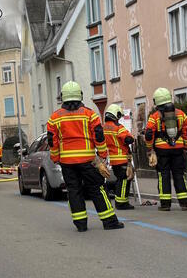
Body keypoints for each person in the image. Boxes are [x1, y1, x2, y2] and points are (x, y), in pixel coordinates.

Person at [47, 81, 124, 232]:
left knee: (74, 191)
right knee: (97, 189)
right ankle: (109, 222)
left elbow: (52, 141)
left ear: (63, 97)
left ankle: (80, 224)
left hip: (67, 162)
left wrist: (56, 158)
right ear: (80, 96)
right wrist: (102, 156)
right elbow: (99, 136)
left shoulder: (54, 118)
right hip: (88, 161)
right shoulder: (90, 114)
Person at [144, 87, 187, 211]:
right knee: (179, 174)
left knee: (163, 175)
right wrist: (185, 147)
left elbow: (149, 134)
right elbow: (186, 132)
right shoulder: (181, 114)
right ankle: (185, 203)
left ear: (156, 101)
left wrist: (149, 149)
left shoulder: (154, 116)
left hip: (161, 150)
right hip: (178, 148)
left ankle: (165, 204)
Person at [103, 103, 136, 210]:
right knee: (124, 180)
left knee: (120, 180)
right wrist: (131, 136)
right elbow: (128, 139)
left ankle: (121, 201)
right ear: (115, 115)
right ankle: (121, 203)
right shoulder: (118, 127)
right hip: (122, 158)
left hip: (113, 160)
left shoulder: (104, 127)